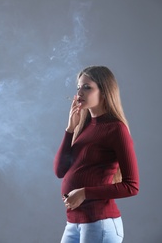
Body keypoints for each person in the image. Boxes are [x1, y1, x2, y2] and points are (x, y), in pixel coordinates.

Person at [54, 66, 139, 243]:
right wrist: (70, 129)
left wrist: (85, 193)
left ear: (104, 91)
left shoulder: (116, 129)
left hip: (99, 224)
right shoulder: (84, 127)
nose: (80, 93)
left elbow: (132, 186)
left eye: (87, 87)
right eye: (78, 88)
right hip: (73, 223)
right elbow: (60, 171)